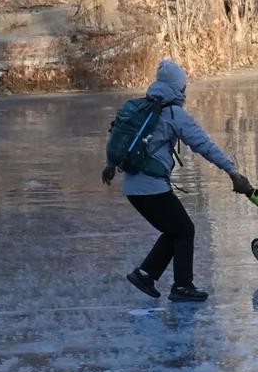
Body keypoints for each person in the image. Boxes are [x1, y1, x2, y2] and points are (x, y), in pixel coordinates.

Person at [102, 58, 239, 303]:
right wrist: (232, 172)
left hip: (133, 188)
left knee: (175, 230)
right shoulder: (174, 114)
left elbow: (118, 137)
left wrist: (110, 166)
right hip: (152, 187)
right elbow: (204, 145)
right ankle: (182, 286)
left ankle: (146, 275)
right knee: (185, 230)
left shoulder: (141, 108)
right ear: (179, 87)